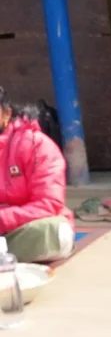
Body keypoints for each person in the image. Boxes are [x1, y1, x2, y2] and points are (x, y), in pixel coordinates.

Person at [0, 86, 74, 263]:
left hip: (21, 230)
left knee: (54, 231)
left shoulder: (36, 145)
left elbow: (48, 204)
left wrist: (3, 219)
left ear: (6, 114)